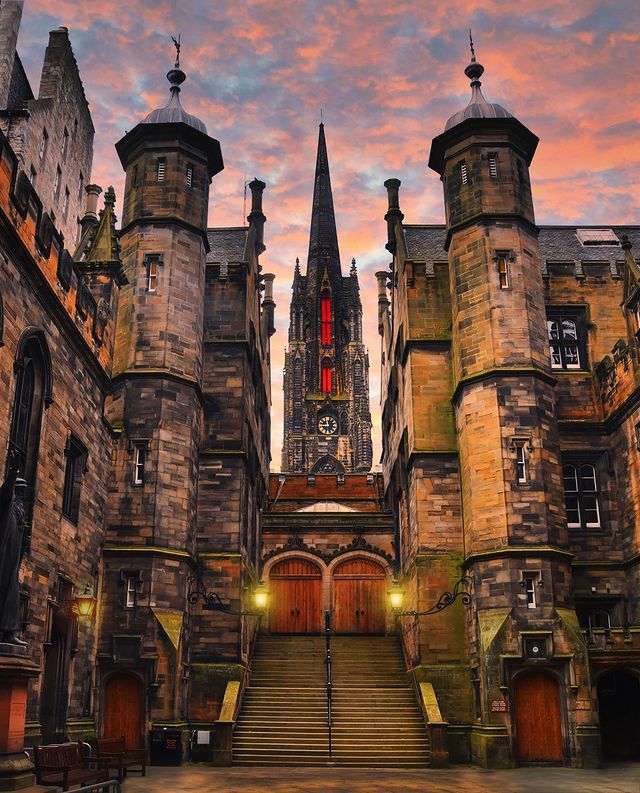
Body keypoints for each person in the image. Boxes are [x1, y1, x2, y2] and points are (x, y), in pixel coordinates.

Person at [0, 450, 28, 645]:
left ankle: (9, 632)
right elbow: (6, 491)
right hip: (3, 556)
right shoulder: (6, 504)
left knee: (12, 594)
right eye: (20, 492)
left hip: (13, 560)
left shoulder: (19, 513)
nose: (21, 497)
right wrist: (14, 471)